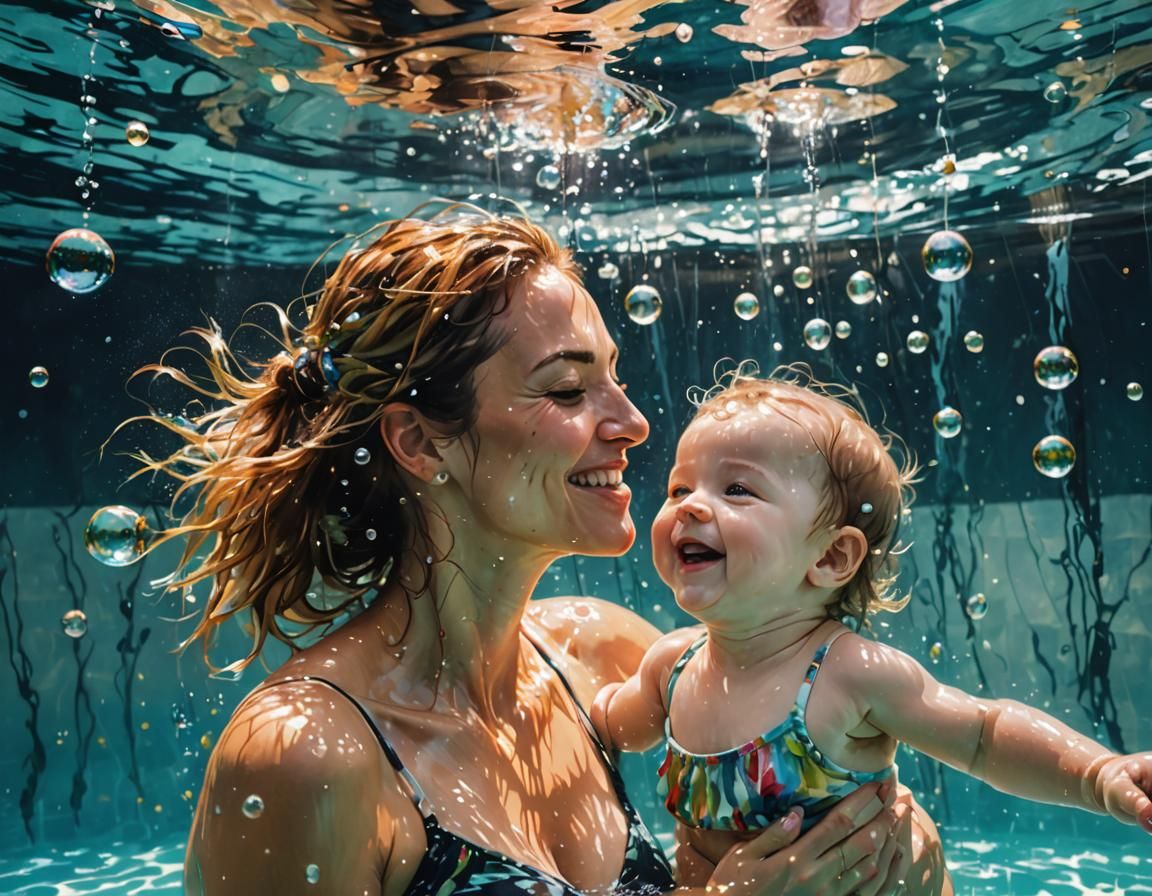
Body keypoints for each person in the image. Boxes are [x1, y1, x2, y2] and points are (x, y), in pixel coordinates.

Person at [131, 206, 921, 895]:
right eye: (569, 391)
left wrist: (884, 853)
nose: (634, 422)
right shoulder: (307, 758)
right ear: (419, 440)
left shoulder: (604, 658)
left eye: (613, 377)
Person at [591, 362, 1152, 896]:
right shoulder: (670, 668)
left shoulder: (846, 674)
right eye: (679, 489)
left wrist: (1097, 775)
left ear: (832, 557)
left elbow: (983, 735)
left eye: (737, 490)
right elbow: (604, 729)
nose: (690, 508)